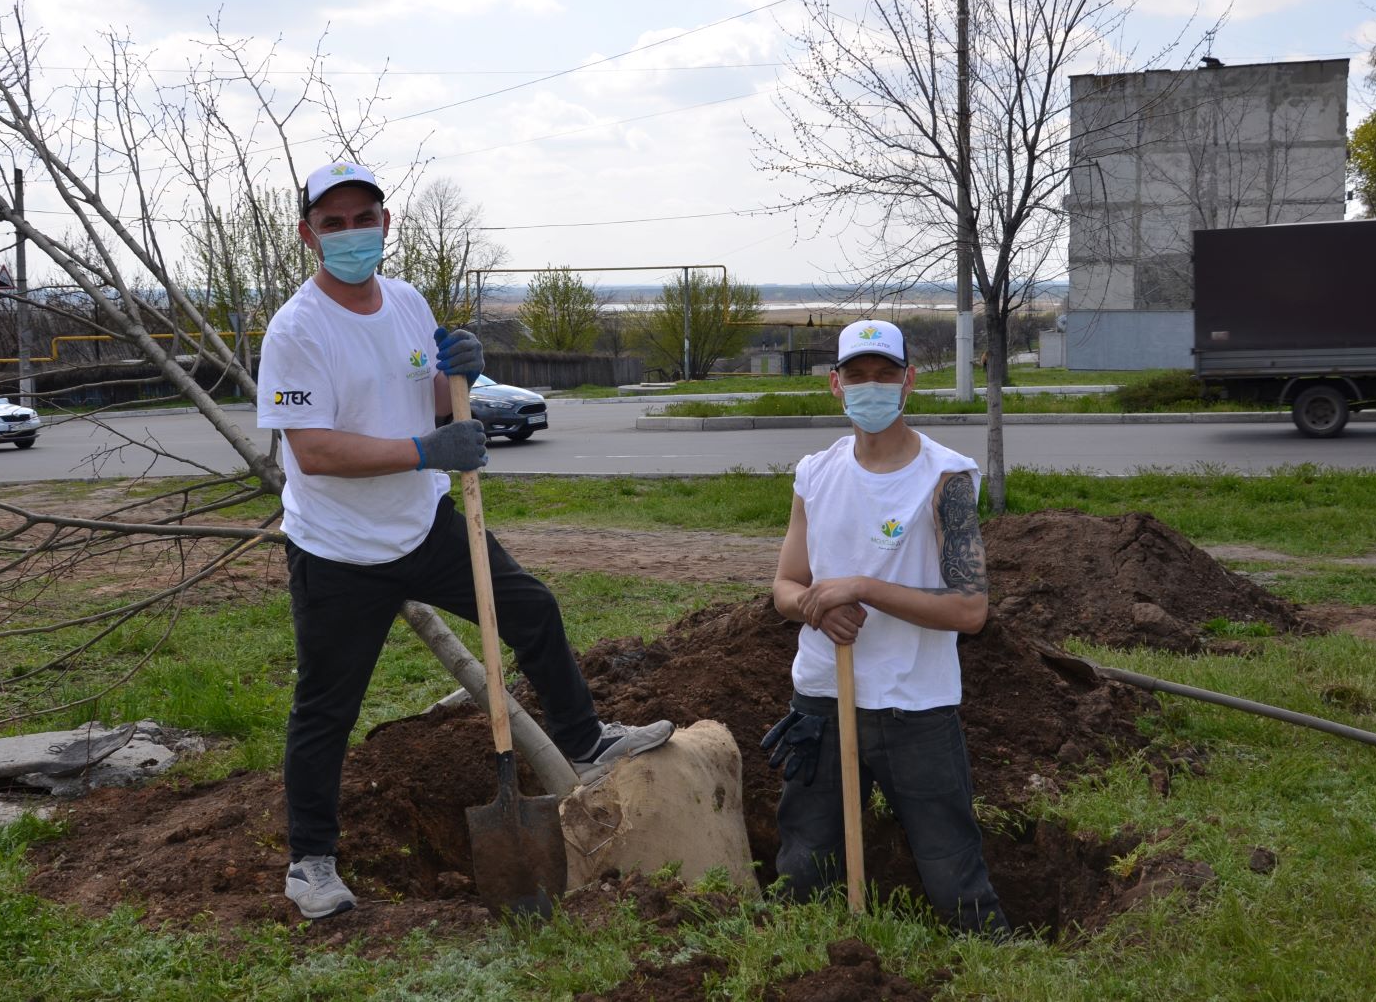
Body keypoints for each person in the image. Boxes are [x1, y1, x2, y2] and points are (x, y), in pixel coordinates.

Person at [257, 160, 674, 919]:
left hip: (423, 526)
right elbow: (312, 451)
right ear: (308, 235)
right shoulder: (297, 329)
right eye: (332, 223)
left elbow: (427, 398)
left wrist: (460, 380)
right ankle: (310, 862)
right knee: (325, 711)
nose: (351, 234)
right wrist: (427, 450)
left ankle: (585, 743)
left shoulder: (408, 302)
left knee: (531, 609)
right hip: (339, 549)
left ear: (386, 224)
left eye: (363, 219)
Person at [762, 318, 1009, 935]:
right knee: (803, 867)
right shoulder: (815, 474)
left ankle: (991, 958)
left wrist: (864, 589)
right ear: (836, 384)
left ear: (908, 381)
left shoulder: (946, 478)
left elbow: (969, 611)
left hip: (914, 705)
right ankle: (810, 966)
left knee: (952, 869)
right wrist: (817, 605)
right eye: (857, 375)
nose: (870, 386)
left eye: (884, 374)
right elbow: (785, 587)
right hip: (823, 698)